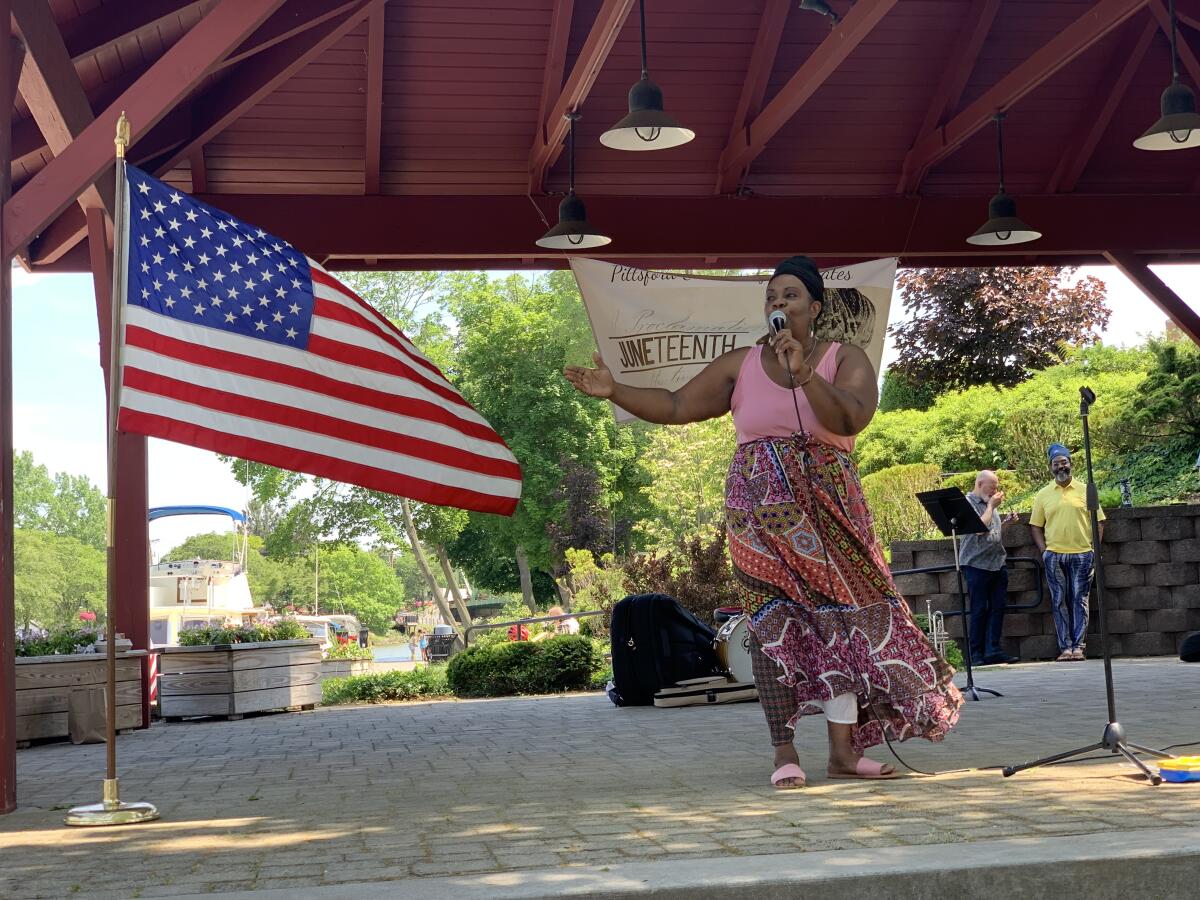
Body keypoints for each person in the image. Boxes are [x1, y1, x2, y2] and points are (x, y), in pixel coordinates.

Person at [565, 255, 962, 789]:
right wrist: (615, 391)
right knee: (774, 625)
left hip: (830, 513)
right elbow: (678, 403)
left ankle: (843, 754)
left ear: (815, 307)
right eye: (772, 295)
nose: (778, 302)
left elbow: (849, 418)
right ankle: (784, 752)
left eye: (790, 295)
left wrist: (802, 373)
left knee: (842, 625)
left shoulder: (846, 359)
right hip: (757, 517)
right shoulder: (741, 364)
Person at [1030, 443, 1105, 662]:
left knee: (1080, 600)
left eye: (1064, 462)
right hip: (1054, 555)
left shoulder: (1086, 490)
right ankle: (1065, 648)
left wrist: (1094, 550)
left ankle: (1079, 647)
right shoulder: (1043, 495)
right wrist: (1044, 552)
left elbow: (1099, 522)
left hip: (1082, 554)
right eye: (1056, 463)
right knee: (1059, 601)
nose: (1061, 467)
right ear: (1050, 467)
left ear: (1071, 464)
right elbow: (1035, 526)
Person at [961, 470, 1019, 666]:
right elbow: (978, 528)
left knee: (997, 608)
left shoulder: (989, 503)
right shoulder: (968, 503)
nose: (995, 491)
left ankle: (993, 649)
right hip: (976, 564)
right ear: (979, 484)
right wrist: (991, 506)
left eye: (996, 487)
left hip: (996, 563)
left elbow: (993, 531)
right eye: (991, 487)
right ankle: (976, 654)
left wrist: (1007, 523)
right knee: (979, 609)